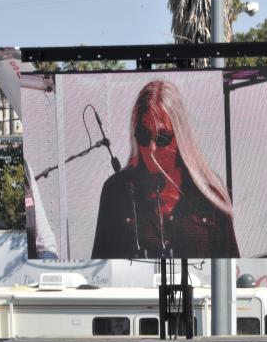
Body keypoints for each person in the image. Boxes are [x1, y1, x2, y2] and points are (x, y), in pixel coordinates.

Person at [91, 79, 240, 260]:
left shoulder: (209, 191)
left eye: (162, 137)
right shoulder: (117, 190)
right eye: (144, 135)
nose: (152, 149)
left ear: (180, 136)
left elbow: (230, 268)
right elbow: (101, 269)